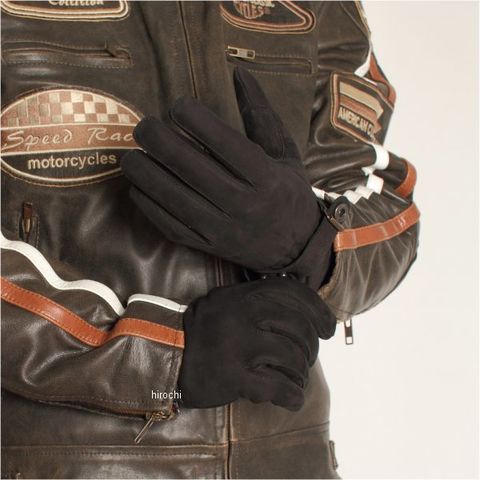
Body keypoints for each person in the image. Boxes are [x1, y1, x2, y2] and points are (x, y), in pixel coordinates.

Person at [0, 1, 419, 478]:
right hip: (69, 462)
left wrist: (316, 242)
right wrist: (163, 358)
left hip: (288, 459)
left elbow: (390, 206)